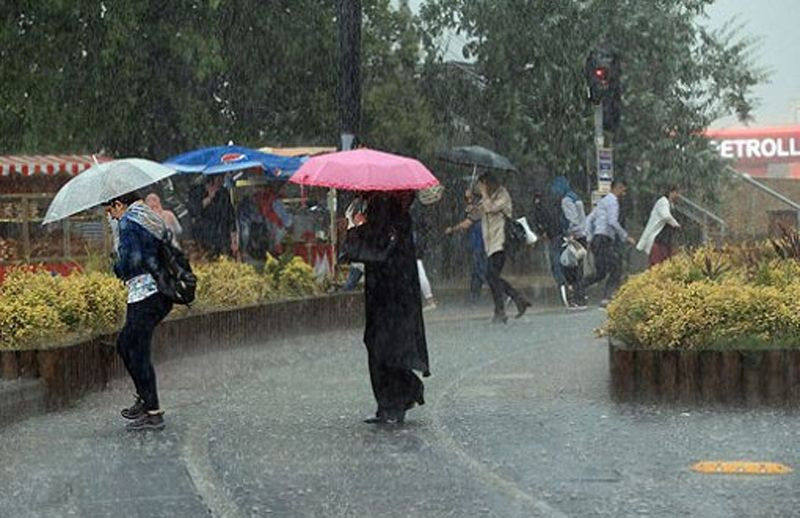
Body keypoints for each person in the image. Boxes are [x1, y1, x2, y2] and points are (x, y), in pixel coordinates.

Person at [104, 192, 173, 431]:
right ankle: (146, 400)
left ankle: (153, 412)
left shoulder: (128, 222)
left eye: (109, 209)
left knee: (135, 349)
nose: (108, 215)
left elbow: (130, 263)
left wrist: (116, 265)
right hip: (159, 293)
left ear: (118, 204)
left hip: (144, 293)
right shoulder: (144, 215)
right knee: (128, 346)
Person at [362, 191, 429, 425]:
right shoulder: (390, 212)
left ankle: (397, 399)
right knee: (380, 345)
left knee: (385, 346)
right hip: (387, 292)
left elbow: (379, 246)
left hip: (390, 292)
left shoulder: (388, 212)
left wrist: (362, 231)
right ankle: (390, 401)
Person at [476, 172, 531, 323]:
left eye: (482, 184)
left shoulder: (502, 195)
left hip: (500, 242)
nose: (481, 188)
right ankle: (513, 302)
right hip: (490, 243)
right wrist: (469, 200)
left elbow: (490, 208)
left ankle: (504, 307)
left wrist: (483, 194)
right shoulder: (487, 196)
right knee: (492, 277)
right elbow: (477, 213)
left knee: (491, 275)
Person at [581, 179, 636, 306]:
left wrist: (589, 237)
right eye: (623, 190)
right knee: (616, 268)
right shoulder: (613, 202)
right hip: (604, 240)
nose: (624, 193)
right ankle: (608, 297)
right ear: (618, 187)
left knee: (601, 273)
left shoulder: (602, 202)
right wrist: (625, 236)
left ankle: (578, 287)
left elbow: (589, 219)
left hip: (597, 240)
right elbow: (612, 221)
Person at [550, 176, 588, 309]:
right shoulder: (575, 197)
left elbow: (572, 219)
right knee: (578, 269)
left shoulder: (566, 200)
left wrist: (569, 234)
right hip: (582, 236)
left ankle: (574, 299)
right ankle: (581, 297)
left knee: (571, 269)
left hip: (574, 237)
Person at [445, 189, 488, 303]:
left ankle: (503, 291)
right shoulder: (475, 207)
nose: (468, 200)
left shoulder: (480, 207)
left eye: (469, 197)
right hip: (477, 243)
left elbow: (467, 224)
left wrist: (452, 229)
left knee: (480, 270)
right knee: (477, 270)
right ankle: (475, 295)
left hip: (480, 243)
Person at [191, 175, 239, 258]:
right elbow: (194, 211)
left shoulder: (224, 193)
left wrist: (233, 240)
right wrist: (209, 197)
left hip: (222, 235)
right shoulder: (197, 191)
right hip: (204, 235)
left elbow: (230, 217)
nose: (221, 181)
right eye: (218, 178)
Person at [637, 186, 681, 267]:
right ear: (671, 192)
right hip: (658, 240)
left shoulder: (671, 205)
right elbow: (666, 216)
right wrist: (676, 224)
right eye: (676, 193)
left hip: (665, 241)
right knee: (656, 266)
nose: (678, 195)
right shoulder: (662, 202)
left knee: (664, 265)